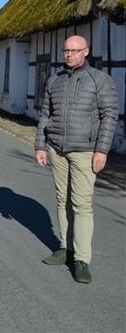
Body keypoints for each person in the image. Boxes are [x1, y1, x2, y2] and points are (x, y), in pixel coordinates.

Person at [34, 35, 119, 284]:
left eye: (74, 50)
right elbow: (45, 114)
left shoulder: (100, 80)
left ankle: (82, 259)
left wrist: (101, 151)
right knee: (62, 200)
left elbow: (109, 116)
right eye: (66, 50)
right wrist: (40, 145)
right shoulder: (55, 80)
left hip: (85, 151)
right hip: (56, 148)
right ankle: (66, 248)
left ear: (86, 52)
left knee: (82, 204)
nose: (69, 54)